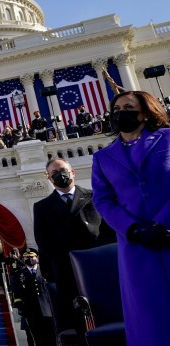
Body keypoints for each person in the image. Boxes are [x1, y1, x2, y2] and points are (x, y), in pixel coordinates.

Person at [91, 90, 170, 346]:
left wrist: (164, 221)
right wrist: (134, 229)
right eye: (115, 109)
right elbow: (103, 200)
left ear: (145, 113)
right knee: (149, 315)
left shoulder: (167, 139)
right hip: (137, 245)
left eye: (127, 107)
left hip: (168, 231)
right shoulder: (102, 158)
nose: (120, 113)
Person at [33, 158, 115, 334]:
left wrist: (96, 254)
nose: (59, 175)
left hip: (98, 266)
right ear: (49, 178)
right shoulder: (42, 207)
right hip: (67, 270)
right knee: (78, 323)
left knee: (108, 317)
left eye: (62, 169)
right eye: (54, 173)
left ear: (73, 172)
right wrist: (67, 258)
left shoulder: (94, 196)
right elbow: (43, 241)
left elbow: (109, 232)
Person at [11, 251, 55, 346]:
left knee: (51, 335)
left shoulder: (45, 271)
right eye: (26, 257)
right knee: (36, 336)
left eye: (32, 256)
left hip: (47, 309)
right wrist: (21, 308)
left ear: (37, 258)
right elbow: (17, 292)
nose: (29, 259)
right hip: (30, 310)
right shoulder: (19, 274)